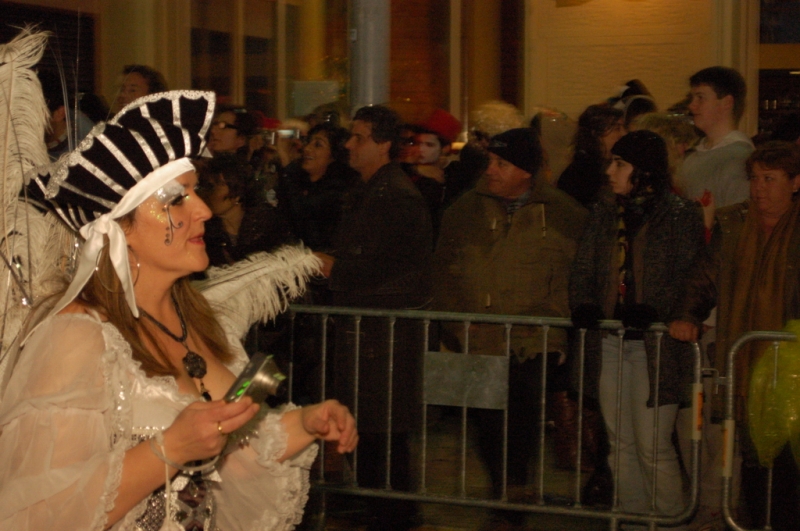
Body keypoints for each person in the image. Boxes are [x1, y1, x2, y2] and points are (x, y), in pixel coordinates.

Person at [0, 91, 358, 531]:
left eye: (197, 193)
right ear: (120, 228)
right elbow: (39, 513)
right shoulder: (78, 337)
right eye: (176, 199)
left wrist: (306, 422)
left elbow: (231, 450)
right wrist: (166, 449)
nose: (204, 210)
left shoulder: (201, 324)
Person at [433, 127, 588, 527]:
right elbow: (444, 272)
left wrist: (557, 329)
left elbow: (575, 276)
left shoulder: (564, 214)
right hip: (476, 335)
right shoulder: (464, 211)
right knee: (486, 423)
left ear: (525, 170)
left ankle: (513, 492)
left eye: (502, 163)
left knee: (519, 419)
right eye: (491, 161)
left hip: (531, 339)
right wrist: (454, 326)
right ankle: (504, 488)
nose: (492, 169)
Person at [570, 130, 705, 529]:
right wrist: (585, 304)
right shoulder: (603, 211)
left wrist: (657, 312)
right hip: (612, 339)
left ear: (644, 172)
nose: (610, 171)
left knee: (652, 446)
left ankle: (665, 522)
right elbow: (582, 266)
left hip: (656, 346)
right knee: (621, 445)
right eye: (612, 162)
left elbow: (689, 277)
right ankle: (630, 521)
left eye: (620, 164)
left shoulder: (681, 215)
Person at [670, 141, 800, 531]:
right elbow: (704, 275)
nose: (759, 188)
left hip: (792, 365)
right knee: (754, 462)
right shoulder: (734, 222)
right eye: (755, 179)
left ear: (795, 183)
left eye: (770, 179)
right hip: (745, 360)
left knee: (790, 462)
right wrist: (686, 314)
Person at [316, 104, 432, 531]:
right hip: (366, 334)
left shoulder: (396, 197)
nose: (349, 144)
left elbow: (380, 263)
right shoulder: (367, 192)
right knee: (367, 431)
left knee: (384, 436)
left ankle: (393, 514)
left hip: (384, 336)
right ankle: (378, 508)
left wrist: (332, 266)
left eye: (359, 137)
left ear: (383, 145)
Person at [276, 122, 359, 256]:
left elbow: (301, 215)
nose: (307, 148)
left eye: (318, 145)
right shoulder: (302, 181)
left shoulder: (337, 190)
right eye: (308, 142)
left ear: (334, 155)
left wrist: (286, 163)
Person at [198, 153, 292, 267]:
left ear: (237, 192)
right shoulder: (205, 232)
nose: (209, 193)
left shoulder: (269, 227)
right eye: (207, 185)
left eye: (218, 185)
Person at [682, 66, 753, 208]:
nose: (692, 106)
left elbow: (736, 221)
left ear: (727, 103)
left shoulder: (738, 157)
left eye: (700, 98)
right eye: (692, 98)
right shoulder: (695, 153)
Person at [557, 104, 625, 209]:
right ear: (596, 133)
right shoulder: (583, 173)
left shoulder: (602, 165)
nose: (623, 134)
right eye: (617, 128)